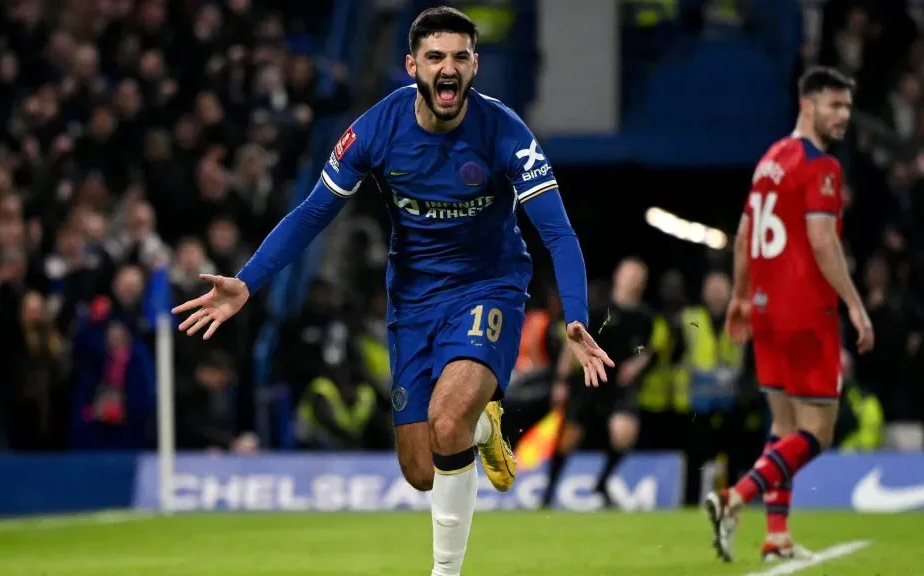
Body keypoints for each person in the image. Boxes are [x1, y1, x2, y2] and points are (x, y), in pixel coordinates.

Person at [172, 7, 613, 576]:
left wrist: (574, 315)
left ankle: (446, 570)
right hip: (413, 297)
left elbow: (556, 230)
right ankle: (483, 422)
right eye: (435, 57)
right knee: (422, 469)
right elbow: (312, 214)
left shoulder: (506, 133)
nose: (448, 69)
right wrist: (247, 282)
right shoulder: (374, 131)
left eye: (459, 57)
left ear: (475, 65)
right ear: (412, 67)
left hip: (489, 286)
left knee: (446, 419)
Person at [704, 66, 875, 563]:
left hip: (765, 310)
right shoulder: (821, 166)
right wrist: (856, 305)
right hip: (806, 310)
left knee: (782, 427)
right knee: (817, 432)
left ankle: (776, 536)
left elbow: (744, 235)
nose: (843, 115)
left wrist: (740, 297)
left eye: (847, 106)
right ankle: (734, 498)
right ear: (807, 105)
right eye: (834, 105)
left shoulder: (770, 161)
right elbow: (822, 239)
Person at [543, 257, 652, 508]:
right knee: (569, 438)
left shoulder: (645, 318)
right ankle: (548, 490)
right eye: (629, 274)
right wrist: (561, 380)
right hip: (588, 379)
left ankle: (602, 483)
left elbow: (646, 350)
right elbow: (573, 343)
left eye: (638, 276)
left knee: (625, 432)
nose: (633, 280)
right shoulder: (598, 307)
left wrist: (638, 364)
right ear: (618, 276)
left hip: (618, 386)